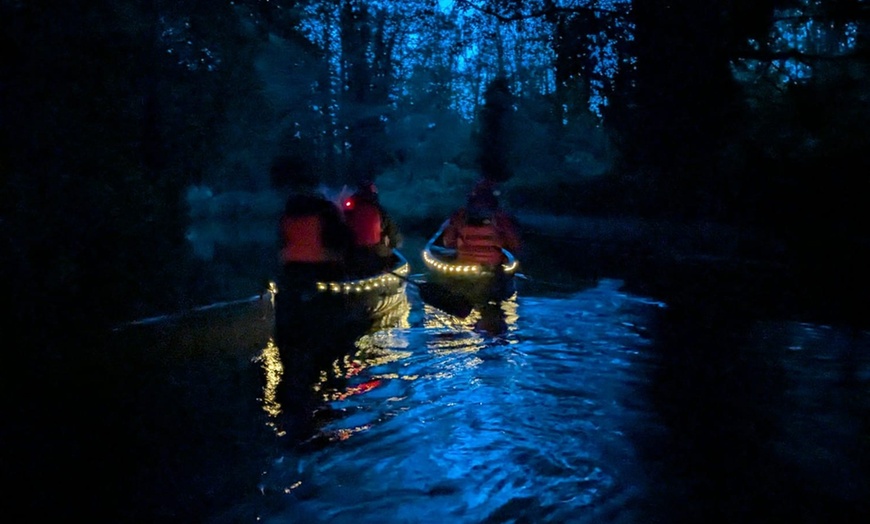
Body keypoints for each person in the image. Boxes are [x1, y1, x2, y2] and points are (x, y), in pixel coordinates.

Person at [274, 156, 353, 285]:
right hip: (322, 267)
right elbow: (342, 237)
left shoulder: (287, 211)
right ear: (315, 187)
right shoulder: (327, 210)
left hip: (291, 267)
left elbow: (281, 241)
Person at [441, 182, 521, 266]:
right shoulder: (502, 218)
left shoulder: (460, 217)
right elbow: (514, 244)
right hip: (491, 264)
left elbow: (449, 242)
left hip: (466, 263)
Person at [342, 180, 403, 275]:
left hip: (354, 253)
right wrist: (394, 244)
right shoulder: (379, 210)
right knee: (387, 254)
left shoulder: (349, 211)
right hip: (375, 253)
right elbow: (393, 235)